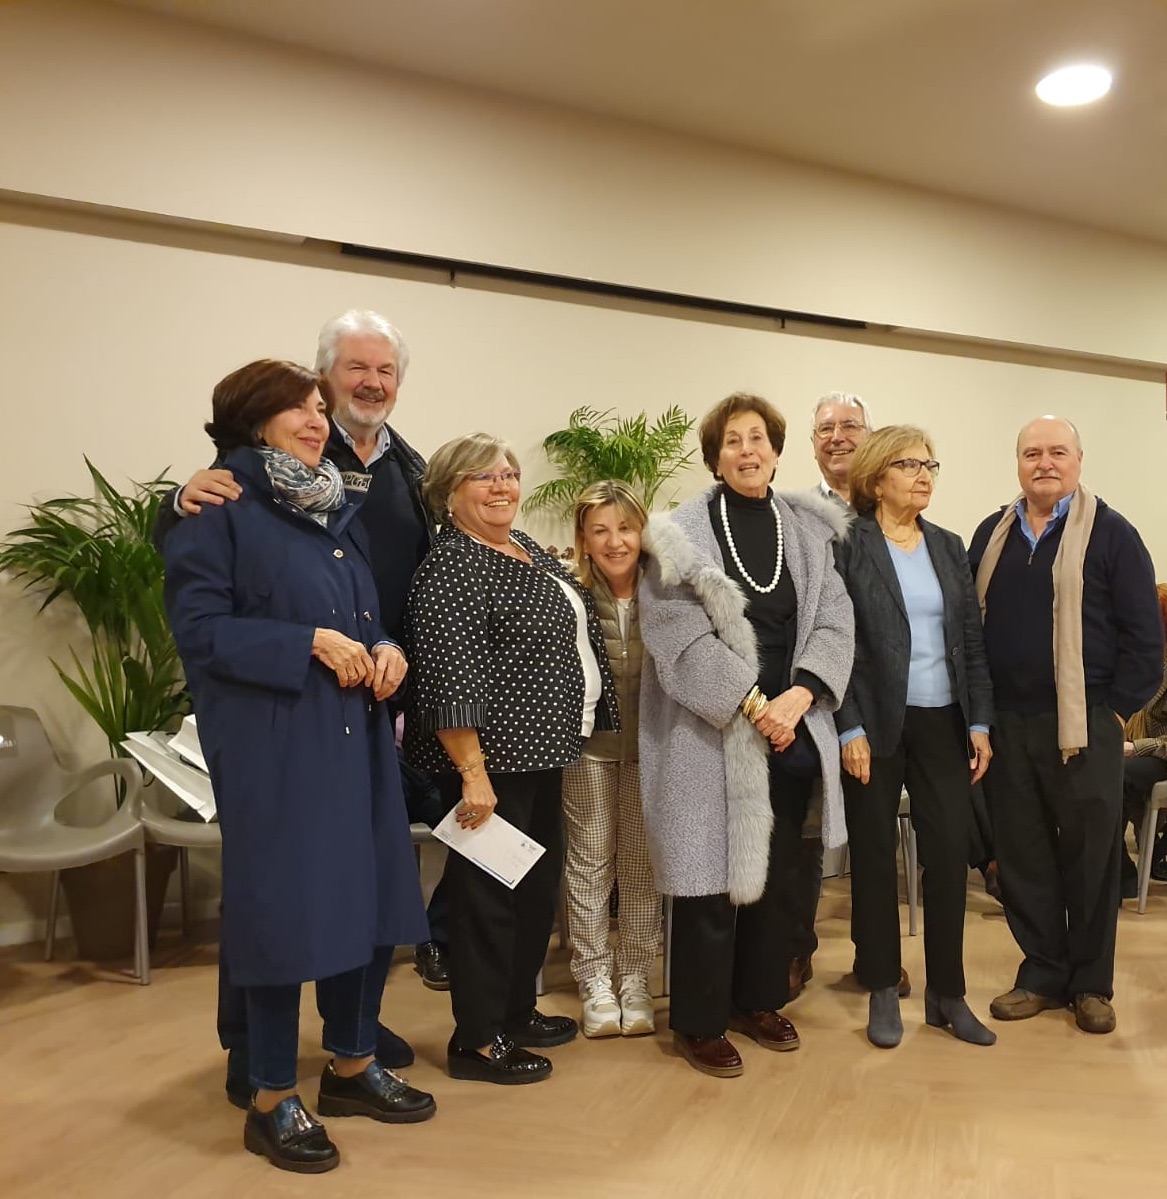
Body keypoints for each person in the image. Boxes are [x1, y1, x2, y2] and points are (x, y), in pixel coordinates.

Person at [163, 360, 434, 1174]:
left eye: (319, 408)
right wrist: (305, 643)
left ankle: (351, 1064)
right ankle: (272, 1094)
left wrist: (385, 648)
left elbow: (360, 615)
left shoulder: (330, 506)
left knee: (365, 903)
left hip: (356, 742)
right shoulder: (218, 507)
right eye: (298, 409)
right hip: (276, 747)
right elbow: (200, 631)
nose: (317, 421)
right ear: (254, 422)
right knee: (283, 917)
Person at [638, 392, 854, 1078]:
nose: (746, 450)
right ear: (714, 457)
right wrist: (753, 703)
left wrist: (800, 695)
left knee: (782, 875)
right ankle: (699, 1021)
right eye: (732, 440)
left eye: (757, 437)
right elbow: (676, 634)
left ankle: (757, 999)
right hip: (711, 728)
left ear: (776, 449)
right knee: (708, 880)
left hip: (793, 725)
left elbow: (834, 621)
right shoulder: (676, 534)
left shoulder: (809, 529)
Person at [404, 433, 618, 1084]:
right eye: (484, 476)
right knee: (486, 903)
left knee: (531, 894)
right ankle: (476, 1038)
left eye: (508, 474)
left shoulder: (520, 546)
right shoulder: (451, 567)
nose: (502, 486)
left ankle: (516, 1011)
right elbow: (448, 678)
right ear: (448, 493)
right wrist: (472, 774)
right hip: (489, 766)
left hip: (543, 755)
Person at [969, 416, 1163, 1035]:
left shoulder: (1113, 534)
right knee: (1022, 854)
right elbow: (971, 630)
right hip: (1008, 724)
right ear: (1018, 463)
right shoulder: (992, 534)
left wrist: (1112, 713)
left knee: (1091, 857)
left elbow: (1146, 641)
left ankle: (1091, 984)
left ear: (1079, 460)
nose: (1044, 463)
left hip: (1085, 726)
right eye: (1032, 453)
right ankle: (1042, 973)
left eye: (1057, 452)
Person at [834, 425, 995, 1048]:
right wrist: (848, 724)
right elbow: (834, 641)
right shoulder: (847, 543)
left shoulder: (948, 546)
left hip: (943, 719)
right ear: (877, 479)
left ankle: (947, 994)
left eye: (930, 464)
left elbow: (971, 639)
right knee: (875, 856)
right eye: (909, 464)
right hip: (875, 723)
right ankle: (881, 986)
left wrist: (979, 721)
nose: (924, 474)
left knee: (949, 854)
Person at [562, 481, 660, 1038]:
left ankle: (636, 976)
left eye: (625, 528)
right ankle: (595, 978)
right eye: (600, 530)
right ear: (583, 539)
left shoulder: (666, 593)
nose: (614, 541)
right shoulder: (567, 593)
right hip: (589, 751)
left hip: (652, 752)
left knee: (642, 866)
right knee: (590, 862)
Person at [788, 391, 875, 1002]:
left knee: (871, 838)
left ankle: (876, 955)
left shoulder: (890, 509)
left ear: (870, 435)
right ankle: (795, 950)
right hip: (817, 698)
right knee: (805, 836)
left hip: (881, 700)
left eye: (850, 425)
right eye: (826, 428)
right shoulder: (796, 517)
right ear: (812, 442)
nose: (838, 436)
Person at [1118, 585, 1167, 894]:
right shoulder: (1141, 662)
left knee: (1115, 774)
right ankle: (1114, 869)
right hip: (1134, 750)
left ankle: (1119, 875)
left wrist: (1136, 747)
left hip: (1160, 756)